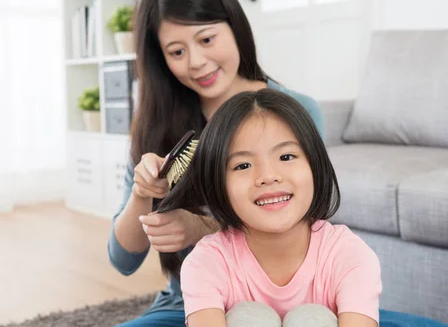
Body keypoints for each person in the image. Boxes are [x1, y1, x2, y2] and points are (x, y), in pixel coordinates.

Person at [107, 0, 324, 327]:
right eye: (177, 51)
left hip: (289, 298)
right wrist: (141, 193)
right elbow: (123, 260)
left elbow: (308, 222)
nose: (196, 62)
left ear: (234, 28)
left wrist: (203, 228)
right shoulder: (156, 126)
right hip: (190, 301)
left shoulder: (296, 111)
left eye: (207, 40)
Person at [158, 89, 380, 326]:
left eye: (286, 157)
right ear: (218, 184)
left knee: (311, 320)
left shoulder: (349, 255)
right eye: (243, 165)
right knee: (250, 318)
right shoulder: (206, 263)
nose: (268, 176)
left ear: (316, 166)